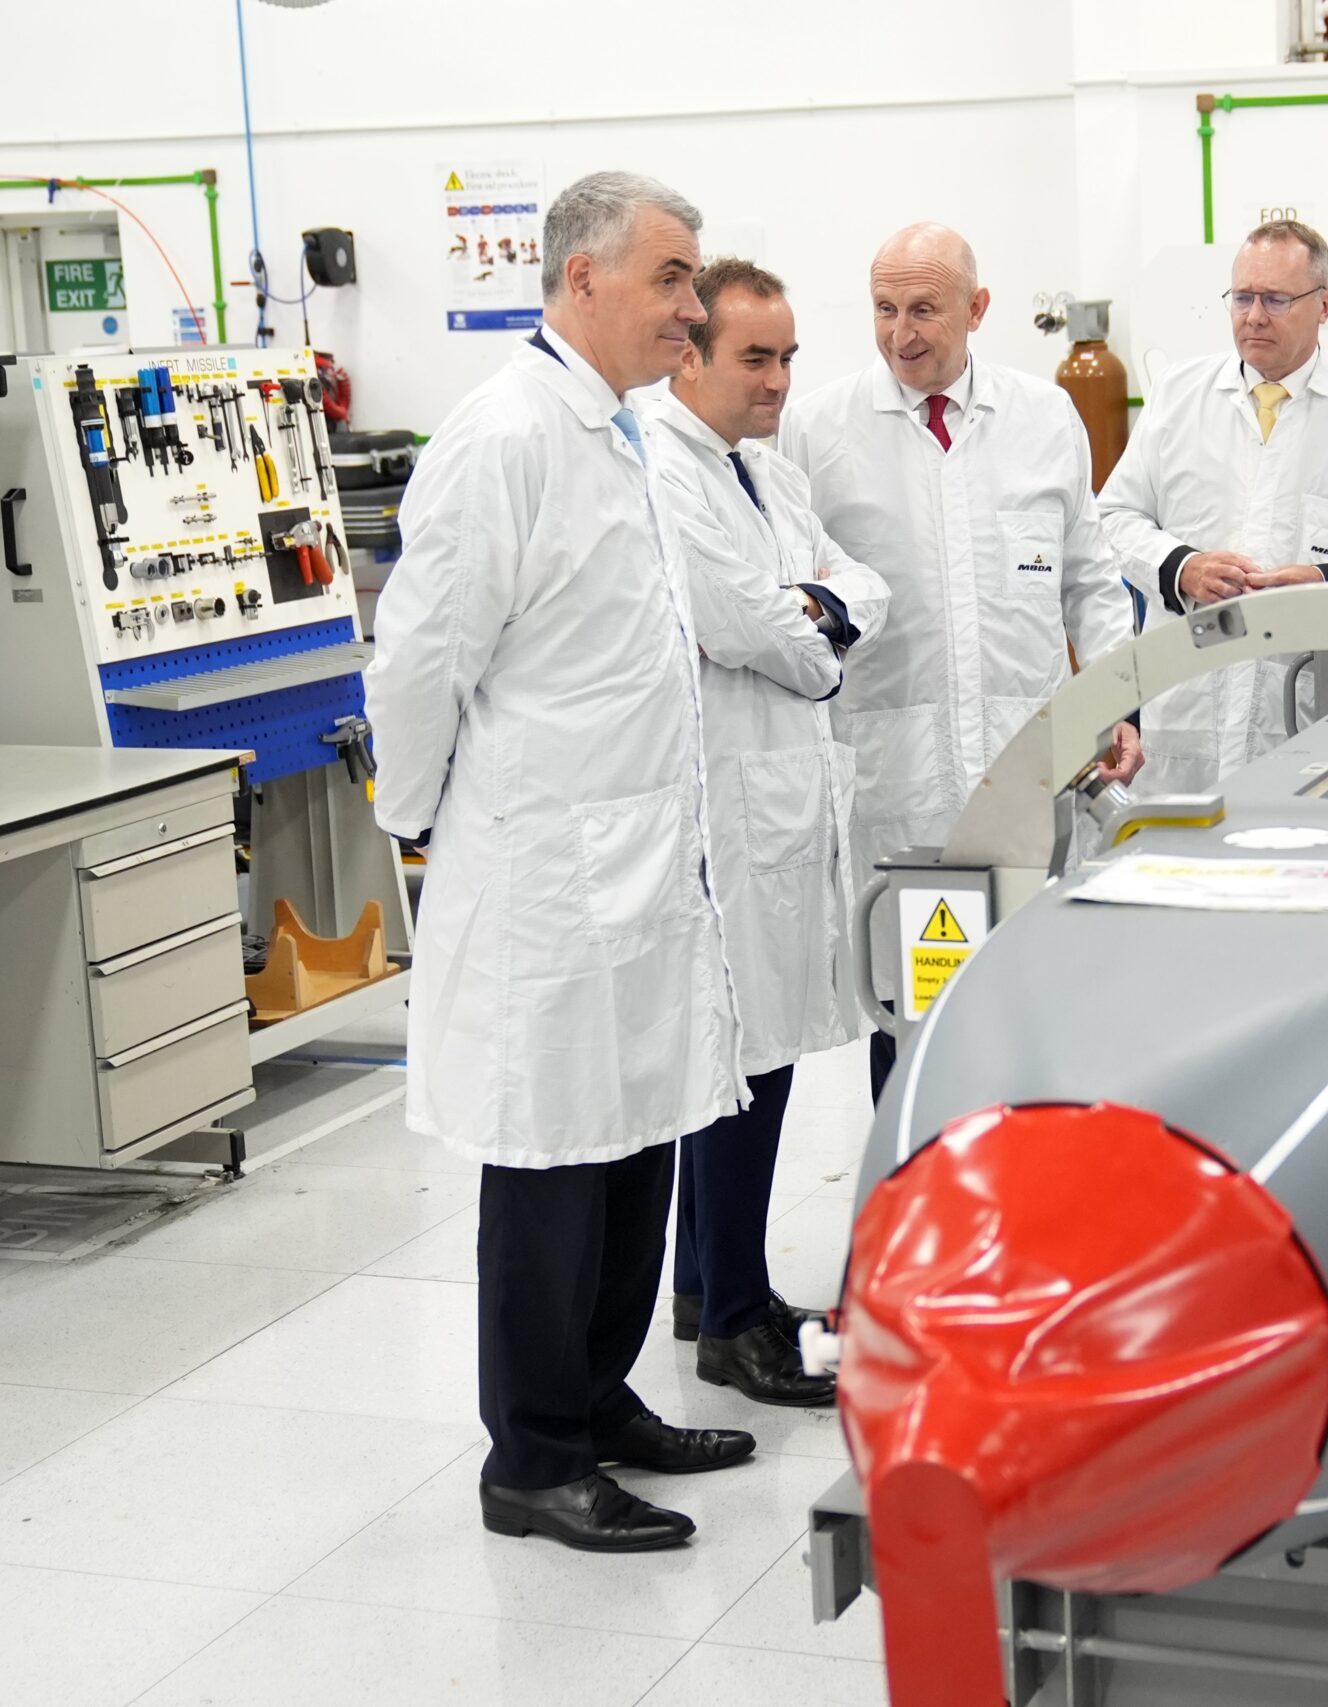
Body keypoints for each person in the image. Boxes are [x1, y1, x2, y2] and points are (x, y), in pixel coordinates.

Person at [365, 171, 757, 1552]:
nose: (693, 306)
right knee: (547, 1160)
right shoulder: (506, 435)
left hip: (639, 859)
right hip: (545, 867)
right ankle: (530, 1455)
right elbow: (421, 657)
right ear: (582, 277)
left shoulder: (629, 431)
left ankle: (599, 1399)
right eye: (670, 278)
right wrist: (412, 817)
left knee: (633, 1135)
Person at [782, 222, 1141, 1102]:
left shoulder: (1044, 415)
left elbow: (1090, 580)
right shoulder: (818, 430)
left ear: (977, 310)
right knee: (910, 1012)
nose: (902, 333)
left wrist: (1119, 701)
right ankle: (919, 1212)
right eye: (884, 309)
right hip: (892, 776)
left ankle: (1028, 1210)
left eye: (925, 310)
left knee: (1037, 1007)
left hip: (1031, 765)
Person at [640, 258, 890, 1405]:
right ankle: (729, 1319)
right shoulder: (663, 466)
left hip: (784, 797)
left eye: (789, 355)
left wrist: (820, 613)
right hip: (723, 808)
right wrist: (815, 628)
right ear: (689, 351)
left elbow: (855, 586)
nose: (780, 379)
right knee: (739, 1061)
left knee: (770, 1052)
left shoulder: (761, 472)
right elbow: (743, 622)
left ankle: (713, 1281)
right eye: (756, 356)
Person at [1096, 217, 1328, 795]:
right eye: (1243, 298)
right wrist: (1182, 567)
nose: (1254, 316)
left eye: (1276, 299)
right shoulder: (1178, 396)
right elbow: (1113, 519)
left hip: (1307, 709)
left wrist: (1326, 581)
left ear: (1325, 305)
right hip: (1184, 712)